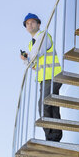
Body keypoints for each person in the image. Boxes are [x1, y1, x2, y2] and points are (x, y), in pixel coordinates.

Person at [20, 13, 63, 142]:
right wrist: (26, 60)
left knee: (43, 105)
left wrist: (27, 58)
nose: (30, 25)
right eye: (27, 23)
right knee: (52, 106)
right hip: (43, 79)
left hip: (52, 76)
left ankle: (52, 136)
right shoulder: (31, 44)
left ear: (38, 24)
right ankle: (55, 136)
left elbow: (36, 54)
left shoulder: (43, 36)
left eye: (32, 22)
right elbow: (32, 63)